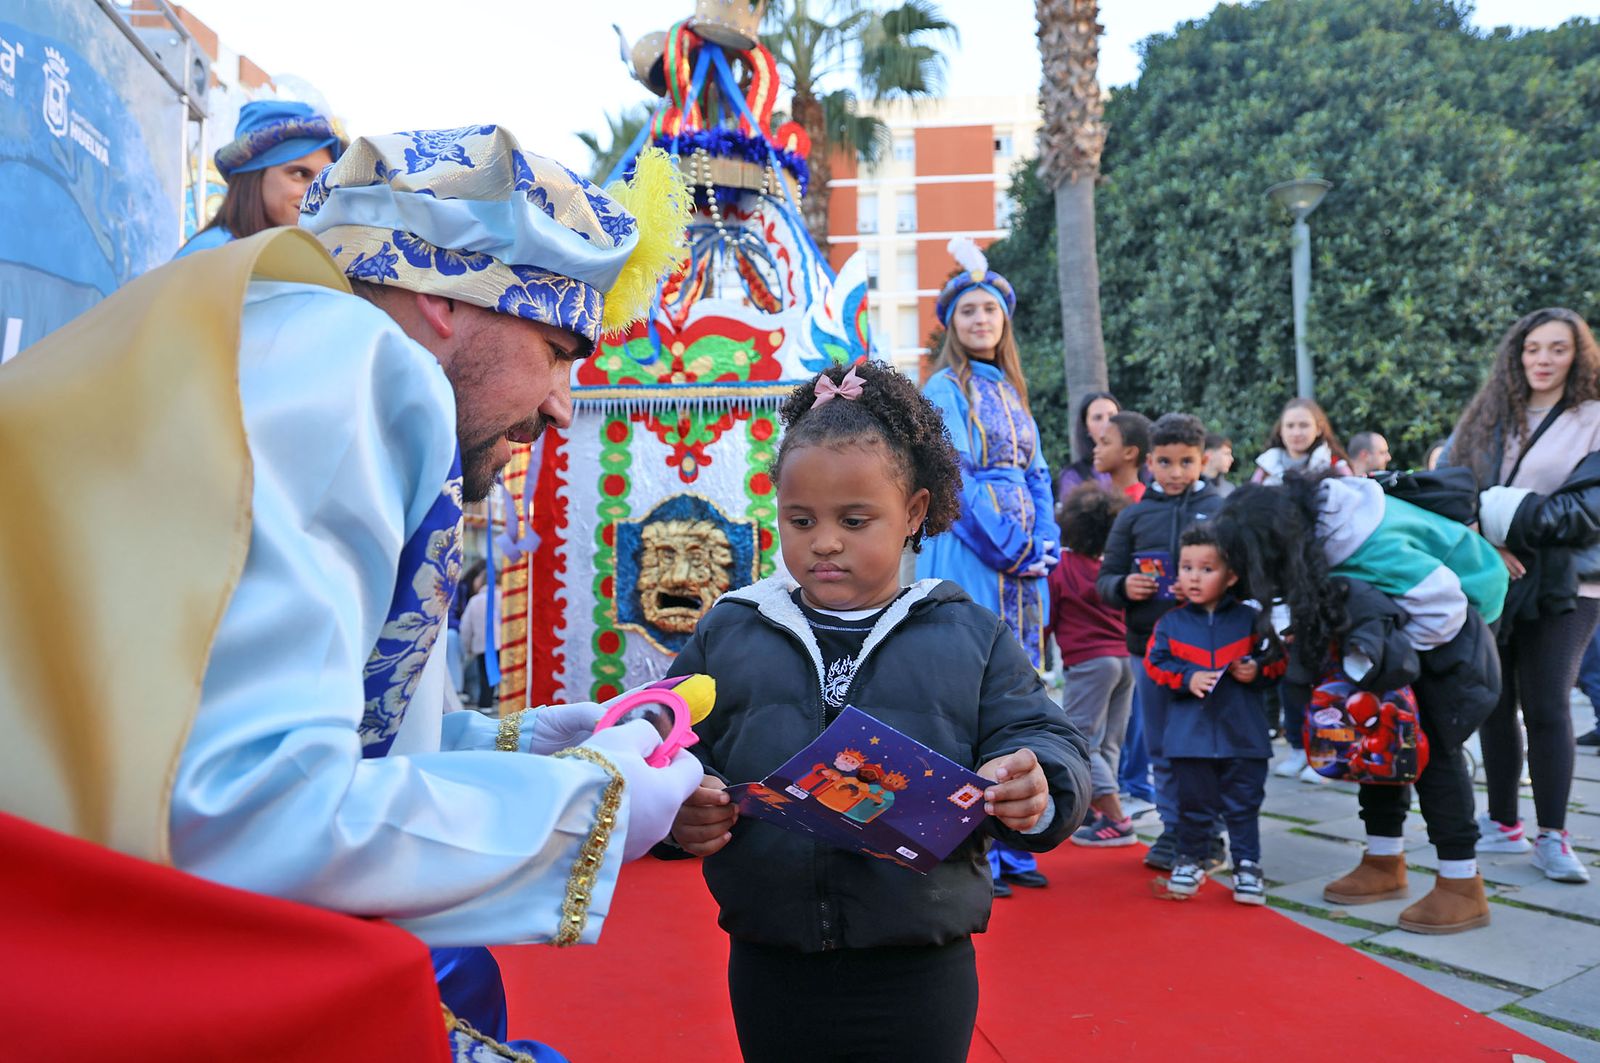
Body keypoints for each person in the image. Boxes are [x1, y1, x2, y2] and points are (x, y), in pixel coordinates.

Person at [0, 126, 705, 1055]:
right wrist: (591, 807)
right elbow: (252, 813)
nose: (561, 403)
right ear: (443, 298)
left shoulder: (273, 338)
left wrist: (528, 744)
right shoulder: (363, 367)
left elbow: (308, 730)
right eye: (556, 348)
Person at [664, 360, 1091, 1063]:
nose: (825, 541)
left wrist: (1037, 780)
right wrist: (678, 807)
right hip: (772, 962)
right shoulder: (730, 628)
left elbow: (1043, 733)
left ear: (914, 513)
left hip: (920, 967)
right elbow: (667, 742)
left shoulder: (969, 633)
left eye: (854, 520)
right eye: (801, 520)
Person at [1214, 474, 1507, 933]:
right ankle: (1384, 861)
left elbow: (1444, 609)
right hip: (1388, 633)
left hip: (1451, 625)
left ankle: (1461, 882)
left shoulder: (1370, 545)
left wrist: (1391, 662)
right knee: (1373, 742)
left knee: (1432, 750)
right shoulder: (1312, 535)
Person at [916, 238, 1061, 894]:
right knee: (972, 688)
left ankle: (1017, 837)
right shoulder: (944, 388)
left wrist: (1045, 539)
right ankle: (976, 839)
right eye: (969, 310)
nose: (980, 319)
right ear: (952, 321)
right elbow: (956, 475)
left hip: (1023, 564)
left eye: (990, 310)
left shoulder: (1013, 392)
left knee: (1022, 690)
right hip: (973, 552)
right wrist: (1010, 546)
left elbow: (1038, 474)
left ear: (1005, 320)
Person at [1444, 306, 1600, 884]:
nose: (1543, 360)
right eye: (1533, 348)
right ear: (1517, 353)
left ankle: (1553, 836)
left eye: (1558, 348)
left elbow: (1587, 509)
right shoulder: (1490, 412)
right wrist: (1487, 541)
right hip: (1493, 575)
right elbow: (1452, 486)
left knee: (1547, 702)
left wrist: (1510, 529)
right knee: (1494, 698)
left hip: (1568, 582)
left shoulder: (1593, 416)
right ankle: (1503, 821)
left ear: (1578, 355)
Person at [1097, 412, 1226, 872]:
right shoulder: (1133, 516)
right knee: (1162, 748)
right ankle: (1174, 831)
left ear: (1203, 461)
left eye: (1186, 462)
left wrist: (1209, 587)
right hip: (1148, 649)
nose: (1175, 472)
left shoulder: (1220, 509)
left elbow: (1241, 573)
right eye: (1165, 462)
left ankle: (1209, 835)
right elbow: (1106, 579)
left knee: (1206, 746)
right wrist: (1125, 586)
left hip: (1208, 650)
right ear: (1150, 462)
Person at [1145, 525, 1285, 904]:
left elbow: (1278, 662)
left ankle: (1248, 866)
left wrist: (1256, 670)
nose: (1193, 577)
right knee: (1193, 807)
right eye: (1186, 567)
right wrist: (1187, 677)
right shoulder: (1171, 623)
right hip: (1189, 739)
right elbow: (1155, 664)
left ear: (1231, 576)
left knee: (1244, 807)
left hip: (1245, 736)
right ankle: (1190, 859)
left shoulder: (1251, 620)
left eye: (1206, 569)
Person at [1051, 483, 1137, 847]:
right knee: (1110, 742)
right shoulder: (1115, 571)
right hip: (1125, 660)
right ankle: (1099, 812)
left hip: (1089, 663)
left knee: (1081, 741)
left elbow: (1048, 618)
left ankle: (1117, 818)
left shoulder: (1062, 568)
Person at [176, 100, 344, 257]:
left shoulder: (296, 257)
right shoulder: (212, 254)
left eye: (325, 179)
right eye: (300, 174)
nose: (319, 193)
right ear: (253, 177)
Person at [1251, 397, 1353, 484]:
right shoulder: (1267, 468)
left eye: (1304, 425)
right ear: (1280, 430)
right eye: (1290, 426)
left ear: (1318, 429)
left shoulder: (1335, 465)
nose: (1296, 433)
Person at [1057, 390, 1122, 504]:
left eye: (1112, 416)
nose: (1107, 423)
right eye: (1098, 418)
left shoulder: (1142, 468)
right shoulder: (1073, 476)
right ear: (1086, 427)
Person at [1094, 411, 1151, 502]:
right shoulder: (1099, 497)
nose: (1096, 450)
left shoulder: (1140, 502)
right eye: (1098, 443)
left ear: (1129, 452)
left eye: (1105, 443)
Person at [460, 570, 494, 710]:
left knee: (484, 674)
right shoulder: (506, 598)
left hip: (482, 644)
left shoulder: (475, 600)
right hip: (503, 644)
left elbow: (466, 626)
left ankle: (485, 703)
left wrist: (467, 645)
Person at [1203, 431, 1236, 498]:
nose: (1231, 459)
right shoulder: (1190, 486)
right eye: (1226, 454)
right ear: (1209, 454)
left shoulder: (1229, 490)